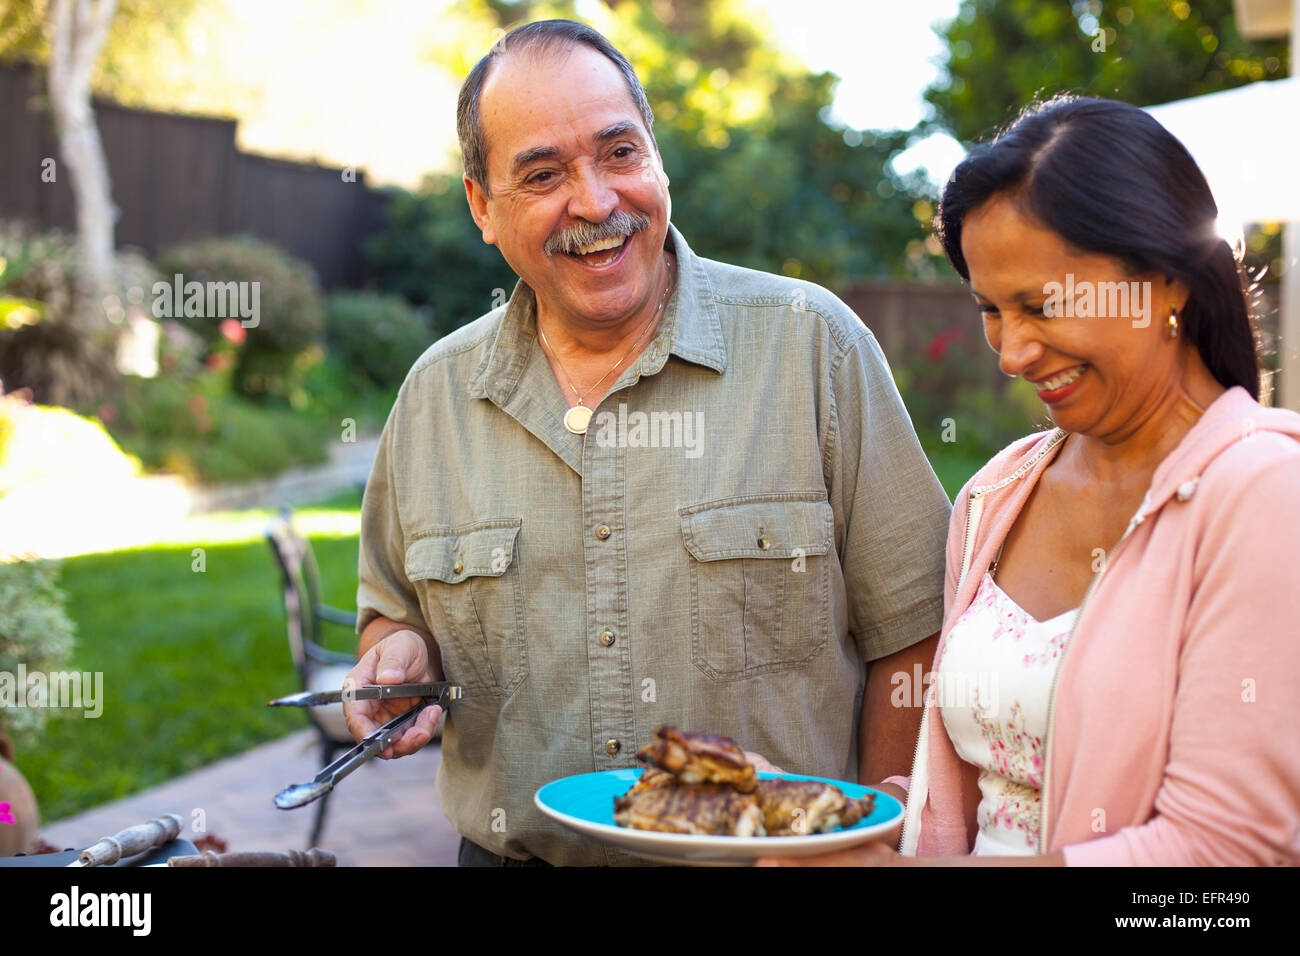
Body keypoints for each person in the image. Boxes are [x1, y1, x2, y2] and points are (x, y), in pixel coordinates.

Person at [341, 19, 952, 866]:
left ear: (656, 158)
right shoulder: (433, 399)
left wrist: (880, 831)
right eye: (544, 173)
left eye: (619, 153)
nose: (594, 201)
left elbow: (916, 631)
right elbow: (391, 614)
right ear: (483, 206)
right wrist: (396, 654)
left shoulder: (815, 347)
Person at [763, 95, 1300, 867]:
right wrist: (810, 819)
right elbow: (969, 797)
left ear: (1167, 280)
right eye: (991, 309)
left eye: (1044, 306)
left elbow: (1223, 858)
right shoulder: (997, 493)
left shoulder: (1262, 496)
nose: (1011, 353)